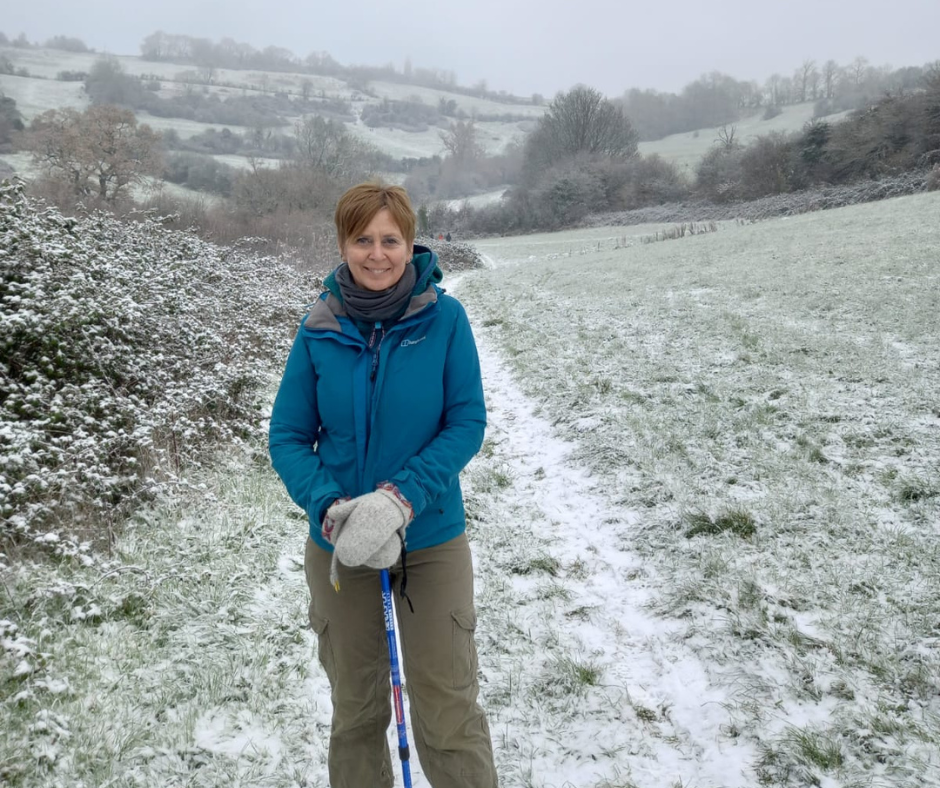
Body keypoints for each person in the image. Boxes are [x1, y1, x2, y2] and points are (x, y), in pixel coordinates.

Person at [268, 182, 498, 788]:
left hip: (430, 539)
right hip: (341, 546)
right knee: (357, 713)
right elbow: (288, 435)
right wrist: (331, 505)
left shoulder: (444, 318)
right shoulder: (318, 328)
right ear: (343, 244)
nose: (377, 254)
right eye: (362, 239)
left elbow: (466, 421)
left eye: (389, 239)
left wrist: (401, 498)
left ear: (409, 242)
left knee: (448, 712)